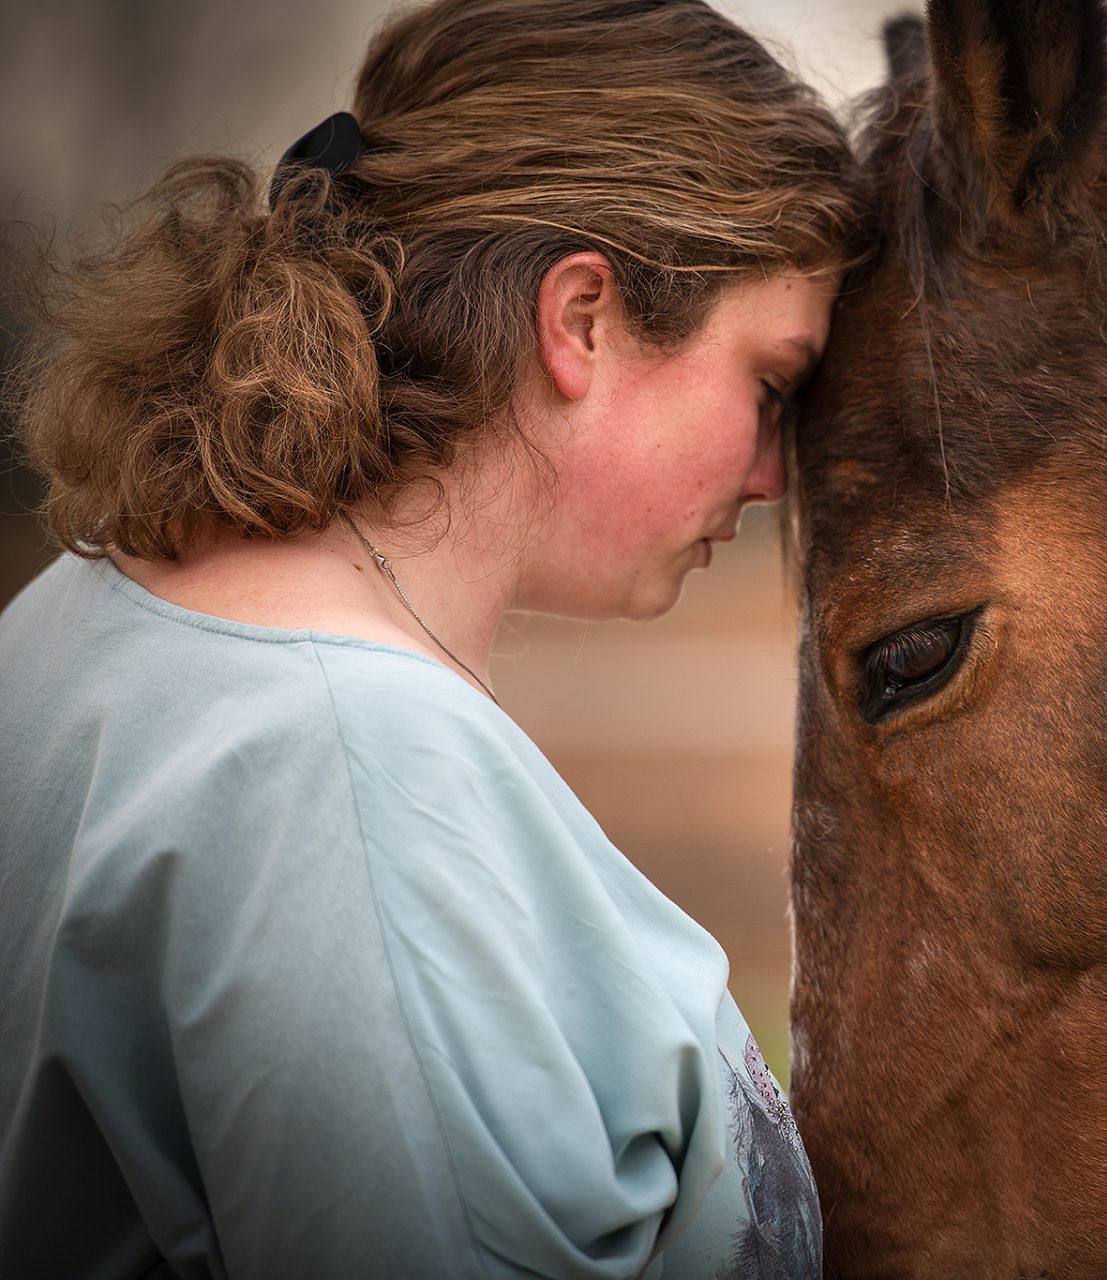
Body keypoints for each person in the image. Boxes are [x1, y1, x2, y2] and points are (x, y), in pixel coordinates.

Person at [0, 1, 866, 1276]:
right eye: (770, 384)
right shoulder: (349, 768)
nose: (776, 474)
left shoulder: (92, 611)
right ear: (582, 318)